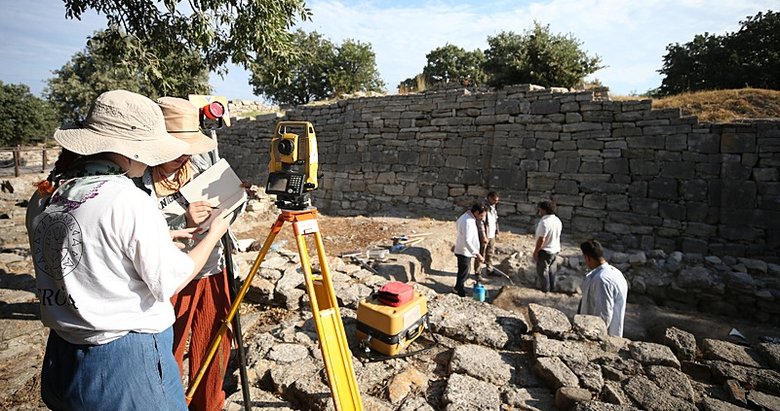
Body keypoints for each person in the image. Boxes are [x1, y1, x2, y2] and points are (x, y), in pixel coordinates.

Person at [25, 89, 231, 410]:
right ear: (133, 149)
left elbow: (91, 253)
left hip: (63, 357)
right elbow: (170, 281)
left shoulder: (46, 197)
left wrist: (164, 236)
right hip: (125, 362)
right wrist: (214, 233)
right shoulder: (127, 199)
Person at [137, 96, 241, 411]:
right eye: (175, 152)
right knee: (165, 352)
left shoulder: (201, 162)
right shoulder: (137, 182)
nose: (184, 157)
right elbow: (137, 235)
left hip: (212, 270)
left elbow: (229, 214)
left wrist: (234, 197)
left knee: (213, 347)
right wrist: (184, 220)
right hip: (170, 280)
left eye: (188, 150)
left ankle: (208, 405)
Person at [578, 239, 629, 337]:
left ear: (587, 258)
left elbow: (603, 315)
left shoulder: (602, 280)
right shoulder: (616, 273)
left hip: (601, 336)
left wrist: (594, 336)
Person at [454, 203, 487, 297]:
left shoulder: (468, 218)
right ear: (476, 212)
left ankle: (457, 287)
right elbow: (467, 240)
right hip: (464, 251)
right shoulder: (467, 221)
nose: (482, 217)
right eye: (481, 215)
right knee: (463, 272)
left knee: (464, 271)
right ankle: (459, 291)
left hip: (466, 250)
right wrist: (477, 254)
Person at [533, 199, 562, 292]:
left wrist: (536, 251)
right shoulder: (558, 220)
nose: (540, 211)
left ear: (544, 210)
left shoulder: (544, 223)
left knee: (543, 273)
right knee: (552, 271)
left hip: (545, 251)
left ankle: (545, 291)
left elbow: (541, 239)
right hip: (555, 249)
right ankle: (552, 289)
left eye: (540, 209)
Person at [476, 191, 500, 275]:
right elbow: (480, 222)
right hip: (485, 235)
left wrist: (497, 230)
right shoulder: (483, 207)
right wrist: (483, 236)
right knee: (480, 254)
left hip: (491, 234)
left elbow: (495, 219)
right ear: (489, 198)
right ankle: (477, 272)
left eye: (497, 200)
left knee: (490, 253)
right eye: (494, 200)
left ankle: (489, 270)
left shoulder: (493, 207)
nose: (496, 202)